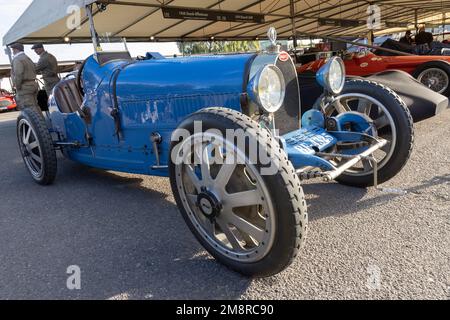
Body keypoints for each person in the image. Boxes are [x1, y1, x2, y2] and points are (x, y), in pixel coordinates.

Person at [9, 43, 39, 111]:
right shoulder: (28, 58)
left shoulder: (17, 59)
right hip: (33, 84)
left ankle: (37, 122)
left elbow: (18, 74)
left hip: (24, 86)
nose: (12, 51)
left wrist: (17, 86)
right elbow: (35, 69)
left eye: (13, 49)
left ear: (16, 49)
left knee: (29, 108)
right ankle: (41, 121)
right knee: (35, 107)